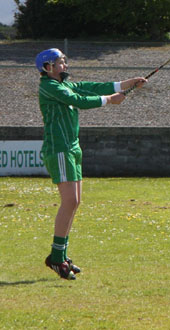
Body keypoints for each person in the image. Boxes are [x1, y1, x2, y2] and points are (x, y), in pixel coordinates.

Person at [36, 48, 147, 280]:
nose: (64, 65)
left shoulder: (65, 83)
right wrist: (109, 101)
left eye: (64, 61)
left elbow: (94, 87)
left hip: (72, 148)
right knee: (69, 201)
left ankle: (61, 255)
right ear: (48, 67)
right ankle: (56, 258)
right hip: (59, 149)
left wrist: (129, 83)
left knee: (75, 202)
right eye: (59, 62)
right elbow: (78, 101)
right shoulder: (50, 87)